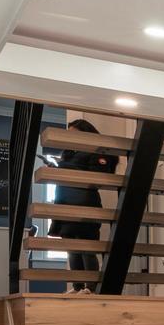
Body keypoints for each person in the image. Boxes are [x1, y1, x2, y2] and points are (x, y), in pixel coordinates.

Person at [45, 119, 119, 291]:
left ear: (86, 132)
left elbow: (98, 175)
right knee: (71, 249)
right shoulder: (69, 153)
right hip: (65, 202)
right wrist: (57, 167)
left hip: (85, 202)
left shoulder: (96, 150)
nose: (70, 137)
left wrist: (63, 166)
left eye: (74, 133)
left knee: (87, 247)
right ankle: (77, 287)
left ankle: (91, 288)